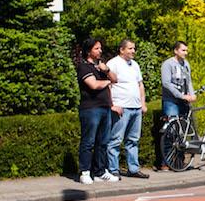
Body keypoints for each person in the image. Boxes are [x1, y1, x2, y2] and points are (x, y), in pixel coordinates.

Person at [75, 37, 118, 184]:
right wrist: (108, 82)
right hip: (90, 109)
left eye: (100, 48)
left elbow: (115, 78)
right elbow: (93, 85)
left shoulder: (101, 67)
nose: (100, 51)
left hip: (105, 107)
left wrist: (107, 71)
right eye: (96, 48)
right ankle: (85, 172)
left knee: (103, 141)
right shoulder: (83, 67)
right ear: (88, 51)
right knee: (88, 141)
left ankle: (100, 171)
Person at [107, 39, 148, 179]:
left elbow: (140, 85)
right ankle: (113, 169)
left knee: (133, 140)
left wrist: (142, 103)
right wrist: (113, 105)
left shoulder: (135, 65)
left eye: (134, 48)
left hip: (136, 108)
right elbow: (108, 85)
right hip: (122, 107)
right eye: (130, 48)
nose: (133, 51)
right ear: (121, 49)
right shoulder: (113, 64)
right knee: (116, 140)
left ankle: (133, 168)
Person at [158, 40, 195, 170]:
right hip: (171, 101)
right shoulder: (167, 64)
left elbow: (189, 81)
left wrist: (191, 94)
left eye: (186, 50)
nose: (186, 52)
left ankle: (179, 161)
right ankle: (165, 163)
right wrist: (181, 95)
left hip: (184, 101)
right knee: (170, 132)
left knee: (182, 133)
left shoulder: (186, 64)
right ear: (176, 51)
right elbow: (166, 83)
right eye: (183, 50)